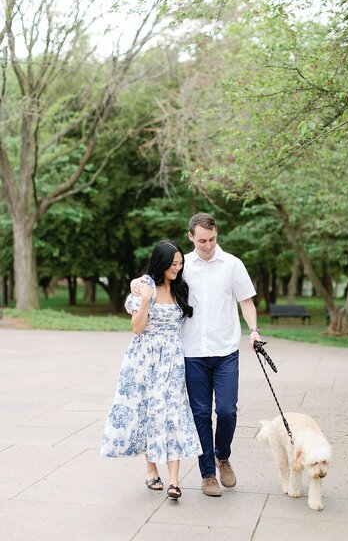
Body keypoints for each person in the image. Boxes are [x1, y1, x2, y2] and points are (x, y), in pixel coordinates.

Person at [131, 213, 262, 497]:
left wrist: (253, 330)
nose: (207, 245)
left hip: (225, 349)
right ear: (191, 237)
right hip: (191, 353)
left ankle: (222, 455)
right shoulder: (181, 266)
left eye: (212, 239)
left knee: (227, 411)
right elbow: (153, 279)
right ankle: (208, 475)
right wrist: (136, 284)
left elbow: (247, 302)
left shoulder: (232, 265)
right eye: (201, 240)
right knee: (201, 413)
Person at [101, 240, 202, 500]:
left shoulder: (181, 288)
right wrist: (145, 299)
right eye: (173, 264)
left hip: (172, 358)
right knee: (148, 411)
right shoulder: (145, 287)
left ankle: (175, 481)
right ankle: (151, 470)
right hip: (143, 358)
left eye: (180, 263)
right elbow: (137, 327)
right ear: (161, 262)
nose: (177, 268)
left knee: (173, 413)